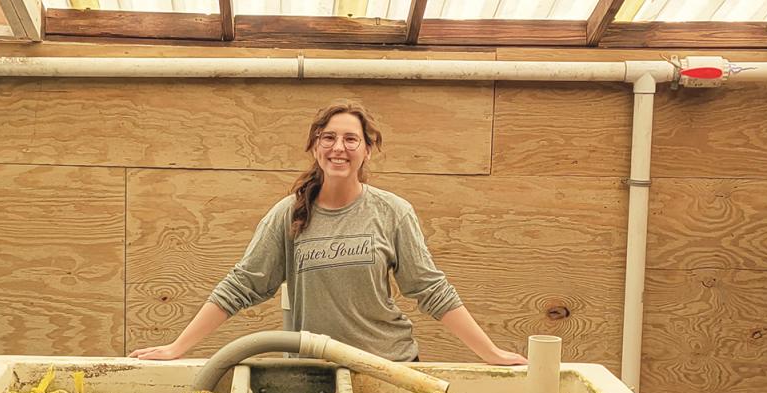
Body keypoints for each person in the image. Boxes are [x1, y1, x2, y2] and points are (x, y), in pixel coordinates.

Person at [129, 100, 527, 366]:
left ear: (367, 150)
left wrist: (489, 352)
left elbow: (430, 288)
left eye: (351, 139)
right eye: (329, 138)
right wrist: (177, 347)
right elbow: (240, 286)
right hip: (313, 374)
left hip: (387, 366)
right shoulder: (287, 215)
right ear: (316, 147)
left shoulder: (392, 211)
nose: (340, 147)